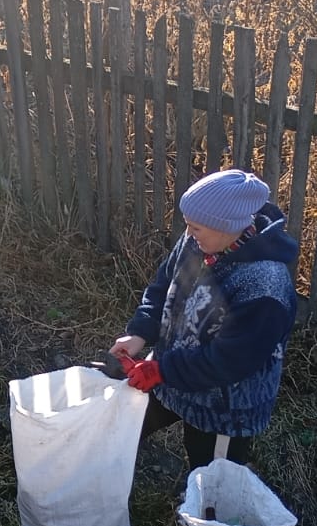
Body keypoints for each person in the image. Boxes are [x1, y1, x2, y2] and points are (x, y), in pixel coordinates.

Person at [110, 169, 299, 471]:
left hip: (224, 407)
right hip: (171, 376)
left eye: (195, 227)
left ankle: (209, 515)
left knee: (212, 472)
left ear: (228, 226)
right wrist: (140, 332)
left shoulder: (264, 287)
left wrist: (163, 370)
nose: (188, 232)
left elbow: (231, 361)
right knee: (125, 425)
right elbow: (164, 285)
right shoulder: (199, 240)